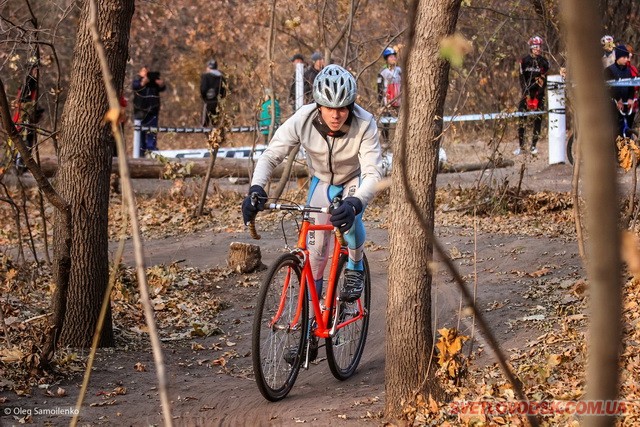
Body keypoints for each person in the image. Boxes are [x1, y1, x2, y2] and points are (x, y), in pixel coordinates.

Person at [242, 64, 383, 309]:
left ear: (350, 106)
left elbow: (373, 173)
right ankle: (311, 318)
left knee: (349, 223)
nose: (336, 115)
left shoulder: (364, 122)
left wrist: (356, 202)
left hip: (353, 178)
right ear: (318, 106)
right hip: (322, 180)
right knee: (316, 252)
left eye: (342, 108)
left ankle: (355, 266)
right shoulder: (303, 119)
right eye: (329, 108)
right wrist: (256, 188)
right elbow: (271, 155)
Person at [514, 36, 549, 156]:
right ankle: (521, 146)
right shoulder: (524, 61)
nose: (538, 49)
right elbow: (521, 77)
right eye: (535, 47)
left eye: (539, 47)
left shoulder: (544, 62)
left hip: (539, 93)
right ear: (531, 47)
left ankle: (533, 146)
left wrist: (539, 95)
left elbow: (544, 79)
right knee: (521, 117)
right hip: (526, 93)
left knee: (538, 119)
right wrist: (526, 92)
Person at [132, 65, 166, 156]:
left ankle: (151, 150)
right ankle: (140, 151)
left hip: (153, 110)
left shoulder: (153, 82)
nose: (146, 73)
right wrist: (143, 82)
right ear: (140, 72)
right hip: (140, 111)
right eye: (144, 71)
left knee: (152, 131)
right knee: (140, 133)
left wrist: (159, 83)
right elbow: (135, 86)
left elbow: (162, 88)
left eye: (148, 71)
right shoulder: (137, 80)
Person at [605, 45, 635, 138]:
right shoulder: (609, 70)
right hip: (612, 105)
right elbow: (609, 88)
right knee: (614, 129)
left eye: (627, 57)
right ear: (618, 57)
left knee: (626, 128)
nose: (627, 59)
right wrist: (618, 99)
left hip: (625, 105)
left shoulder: (628, 71)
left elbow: (631, 86)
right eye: (624, 57)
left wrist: (630, 98)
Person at [377, 46, 402, 145]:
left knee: (401, 120)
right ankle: (386, 142)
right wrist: (381, 104)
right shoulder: (382, 72)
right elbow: (379, 89)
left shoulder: (399, 71)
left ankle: (400, 141)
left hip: (399, 100)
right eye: (390, 57)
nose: (393, 58)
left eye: (394, 56)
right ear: (386, 59)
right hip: (387, 101)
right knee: (385, 121)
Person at [200, 59, 227, 127]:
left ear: (208, 67)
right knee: (216, 124)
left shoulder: (206, 76)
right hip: (218, 103)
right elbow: (224, 90)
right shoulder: (221, 77)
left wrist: (204, 98)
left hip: (208, 102)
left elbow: (203, 89)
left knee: (205, 124)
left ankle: (207, 137)